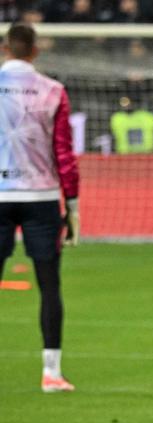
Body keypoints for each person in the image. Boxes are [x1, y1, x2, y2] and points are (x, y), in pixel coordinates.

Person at [0, 23, 81, 393]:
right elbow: (64, 153)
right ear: (35, 51)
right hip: (41, 197)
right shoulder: (53, 90)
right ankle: (52, 372)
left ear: (5, 49)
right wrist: (73, 205)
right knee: (49, 285)